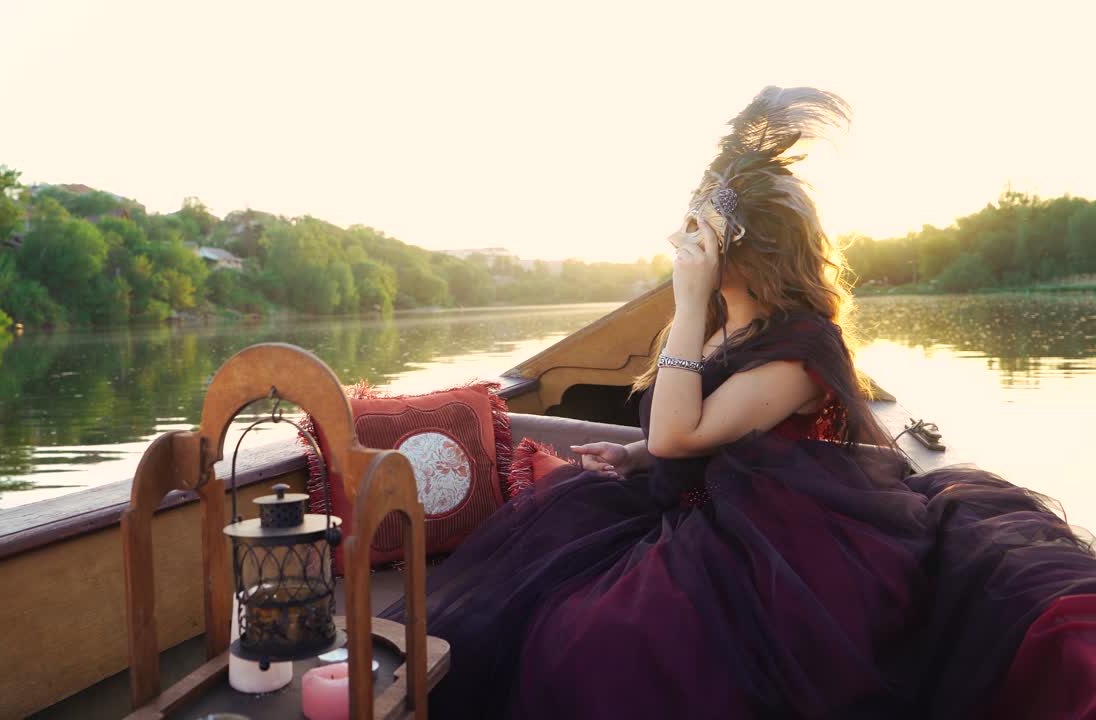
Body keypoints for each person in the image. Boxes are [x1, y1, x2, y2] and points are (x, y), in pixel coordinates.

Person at [383, 87, 1096, 719]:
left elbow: (678, 435)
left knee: (603, 642)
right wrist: (630, 456)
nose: (681, 249)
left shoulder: (799, 349)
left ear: (746, 255)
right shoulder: (737, 325)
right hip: (695, 505)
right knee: (549, 599)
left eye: (697, 238)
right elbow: (679, 439)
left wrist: (687, 305)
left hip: (770, 540)